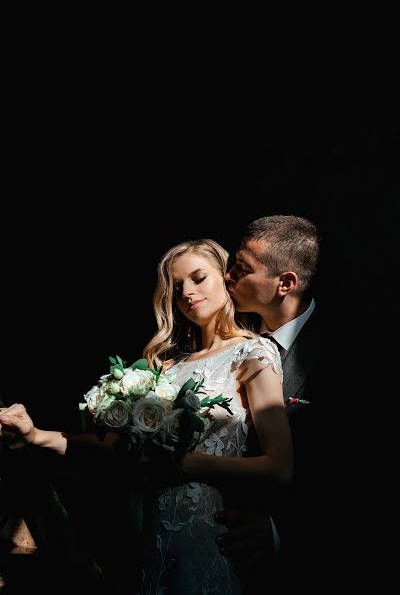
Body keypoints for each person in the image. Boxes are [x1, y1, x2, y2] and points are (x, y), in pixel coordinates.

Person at [0, 238, 294, 595]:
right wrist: (36, 435)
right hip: (147, 537)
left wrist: (187, 464)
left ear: (226, 279)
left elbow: (279, 465)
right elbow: (115, 448)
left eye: (199, 278)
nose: (187, 292)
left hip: (210, 534)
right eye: (177, 286)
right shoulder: (164, 368)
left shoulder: (253, 353)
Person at [215, 215, 330, 588]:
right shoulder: (226, 340)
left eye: (242, 269)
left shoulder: (341, 361)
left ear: (285, 283)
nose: (227, 276)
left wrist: (284, 532)